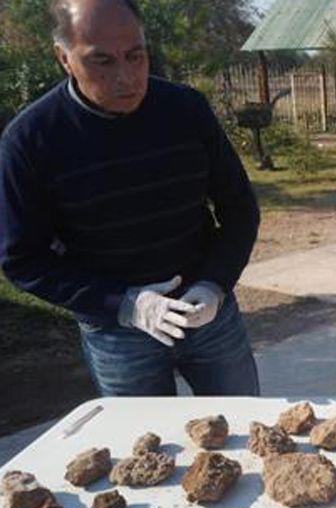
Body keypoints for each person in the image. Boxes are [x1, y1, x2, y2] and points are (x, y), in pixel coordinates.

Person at [0, 0, 261, 396]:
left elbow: (240, 208)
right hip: (119, 335)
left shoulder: (186, 110)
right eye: (101, 61)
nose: (126, 76)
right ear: (64, 58)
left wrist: (215, 284)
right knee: (144, 452)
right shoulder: (30, 141)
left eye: (136, 56)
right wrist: (125, 304)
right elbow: (22, 259)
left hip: (209, 318)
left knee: (250, 431)